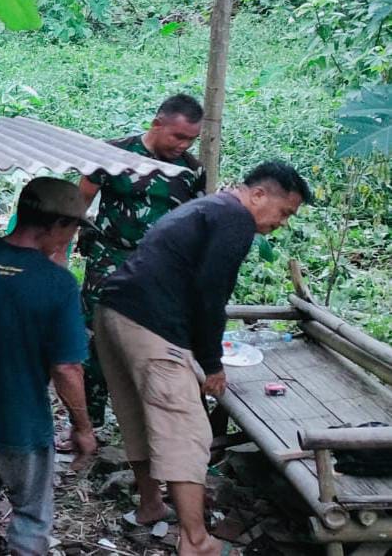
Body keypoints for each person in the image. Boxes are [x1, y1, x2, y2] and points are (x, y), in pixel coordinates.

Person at [93, 162, 311, 556]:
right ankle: (196, 541)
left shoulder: (207, 208)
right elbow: (211, 293)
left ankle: (150, 504)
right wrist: (211, 364)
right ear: (258, 194)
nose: (281, 223)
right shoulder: (235, 218)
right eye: (284, 212)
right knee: (186, 430)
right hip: (150, 323)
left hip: (114, 312)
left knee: (138, 414)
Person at [0, 178, 98, 556]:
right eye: (73, 227)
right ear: (56, 224)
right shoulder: (57, 284)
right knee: (31, 519)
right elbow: (67, 369)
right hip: (22, 426)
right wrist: (83, 427)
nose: (72, 237)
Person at [77, 93, 207, 428]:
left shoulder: (191, 170)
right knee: (96, 337)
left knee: (152, 338)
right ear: (157, 123)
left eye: (191, 139)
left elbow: (196, 220)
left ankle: (145, 419)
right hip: (109, 259)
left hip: (161, 269)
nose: (183, 145)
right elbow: (78, 202)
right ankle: (88, 422)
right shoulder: (113, 153)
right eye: (178, 136)